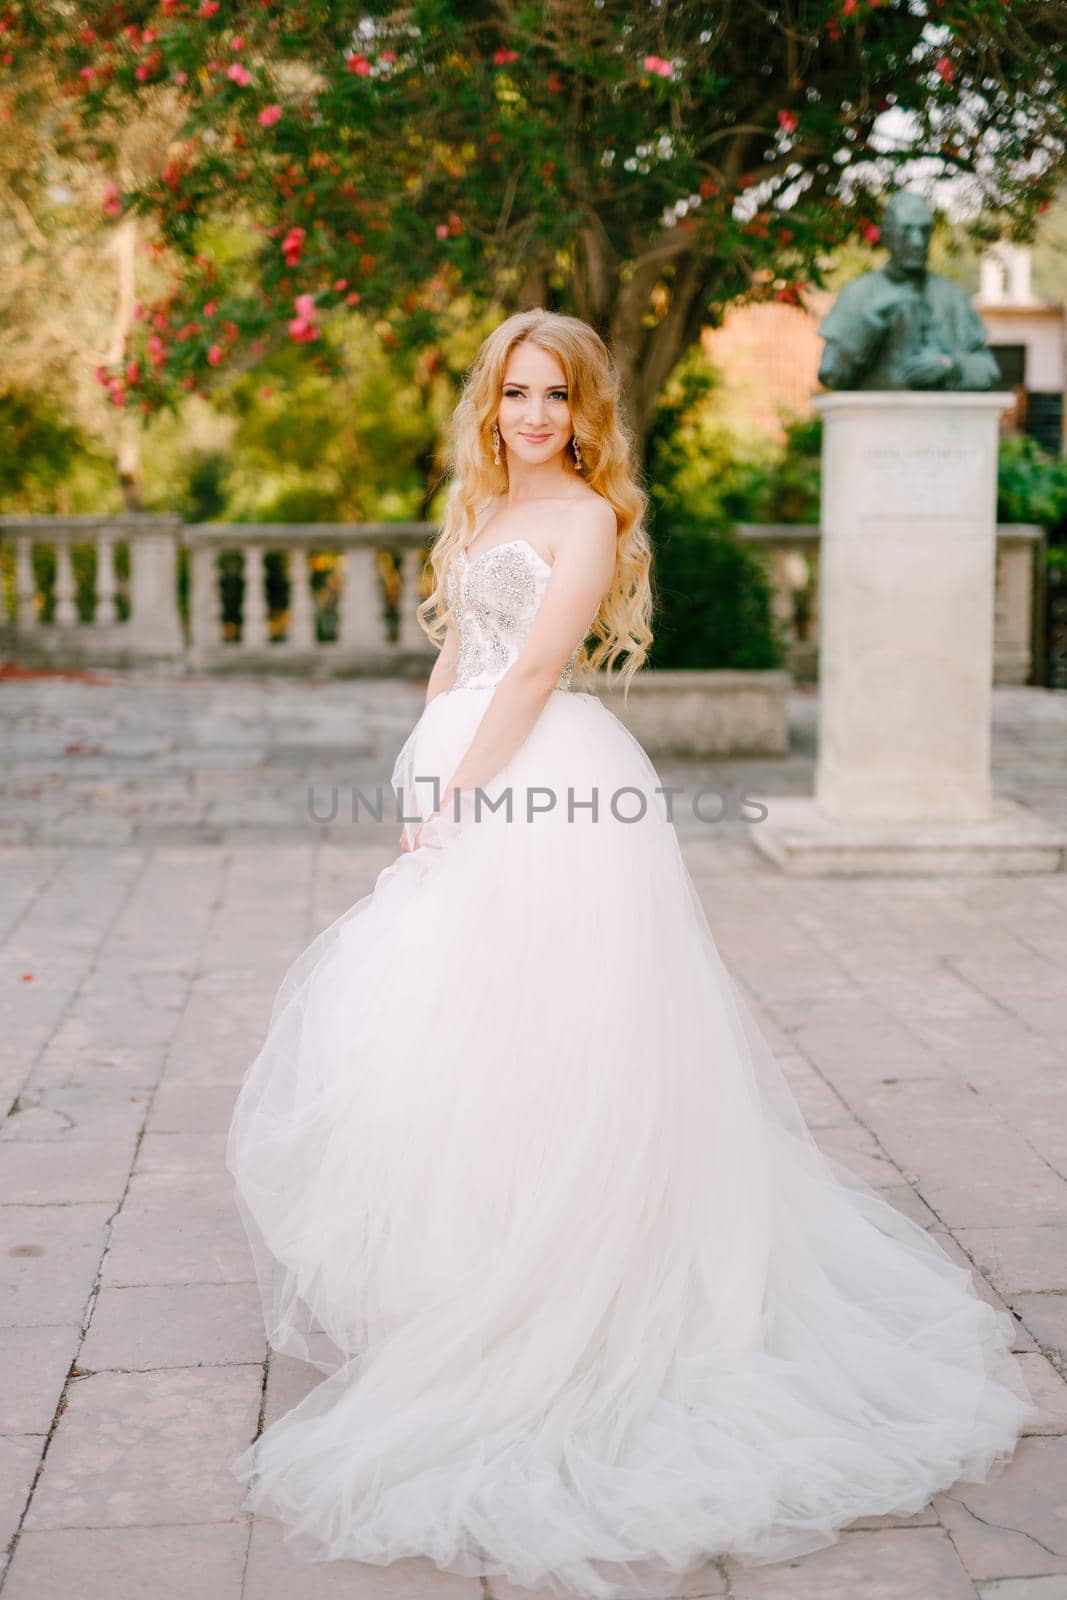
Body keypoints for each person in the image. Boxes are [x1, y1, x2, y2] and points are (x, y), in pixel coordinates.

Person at [225, 308, 1034, 1600]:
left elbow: (538, 668)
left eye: (553, 396)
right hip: (462, 771)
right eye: (514, 394)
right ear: (489, 405)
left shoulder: (586, 519)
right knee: (447, 1039)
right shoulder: (484, 505)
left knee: (562, 1045)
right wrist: (417, 758)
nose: (532, 416)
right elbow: (461, 649)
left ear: (584, 408)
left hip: (541, 791)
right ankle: (464, 1280)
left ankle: (579, 1289)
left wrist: (461, 795)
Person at [817, 189, 1002, 391]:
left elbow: (988, 371)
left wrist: (950, 366)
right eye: (906, 231)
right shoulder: (858, 294)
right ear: (886, 235)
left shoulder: (953, 296)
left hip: (940, 419)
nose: (917, 241)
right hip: (876, 419)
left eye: (924, 231)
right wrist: (871, 323)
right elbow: (831, 374)